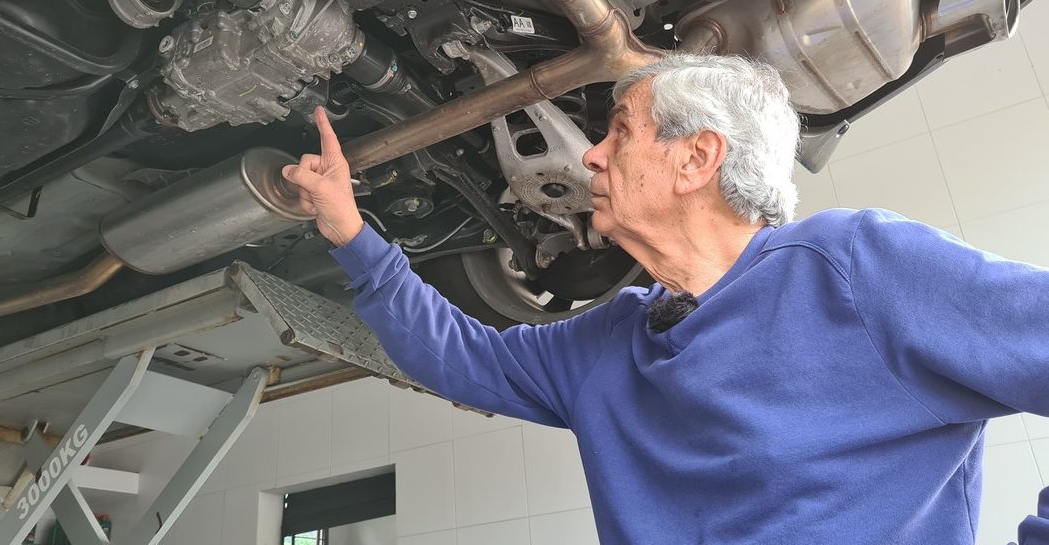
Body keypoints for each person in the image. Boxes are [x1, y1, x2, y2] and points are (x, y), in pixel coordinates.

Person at [282, 53, 1049, 545]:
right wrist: (352, 233)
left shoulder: (851, 269)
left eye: (620, 132)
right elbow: (460, 357)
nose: (591, 155)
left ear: (697, 158)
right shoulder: (608, 343)